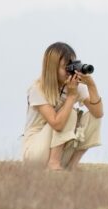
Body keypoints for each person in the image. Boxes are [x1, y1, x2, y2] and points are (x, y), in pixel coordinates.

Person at [21, 41, 103, 171]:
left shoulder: (73, 86)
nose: (70, 71)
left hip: (60, 149)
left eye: (72, 65)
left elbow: (98, 114)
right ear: (52, 68)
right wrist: (71, 97)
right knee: (69, 112)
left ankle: (72, 165)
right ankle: (53, 164)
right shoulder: (37, 89)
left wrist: (91, 85)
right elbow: (57, 124)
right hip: (35, 153)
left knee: (92, 117)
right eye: (66, 67)